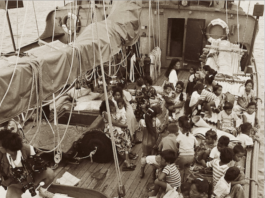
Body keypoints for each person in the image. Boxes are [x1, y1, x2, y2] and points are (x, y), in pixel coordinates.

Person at [0, 130, 55, 198]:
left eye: (1, 146)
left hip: (31, 178)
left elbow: (40, 165)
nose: (0, 148)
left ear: (8, 148)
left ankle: (42, 191)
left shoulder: (28, 149)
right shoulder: (1, 155)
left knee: (50, 173)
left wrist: (35, 166)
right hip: (15, 183)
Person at [99, 100, 136, 171]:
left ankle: (127, 159)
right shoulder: (105, 113)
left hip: (115, 128)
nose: (111, 107)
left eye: (111, 105)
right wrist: (124, 126)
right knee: (121, 140)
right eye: (109, 106)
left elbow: (116, 121)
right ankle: (126, 161)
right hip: (111, 129)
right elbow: (114, 123)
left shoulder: (111, 112)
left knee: (125, 138)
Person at [175, 116, 198, 182]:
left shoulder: (180, 136)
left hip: (182, 157)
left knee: (181, 170)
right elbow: (196, 145)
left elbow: (176, 145)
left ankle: (180, 183)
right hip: (191, 156)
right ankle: (185, 182)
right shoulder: (192, 136)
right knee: (187, 169)